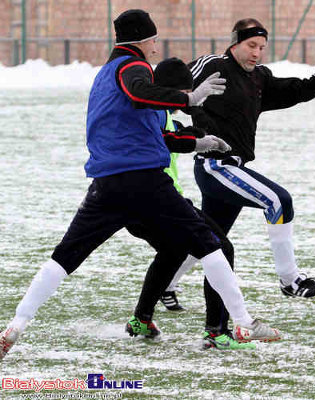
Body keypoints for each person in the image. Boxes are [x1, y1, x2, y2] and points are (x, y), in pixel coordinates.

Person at [0, 10, 281, 361]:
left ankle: (16, 325)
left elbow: (155, 131)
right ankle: (240, 323)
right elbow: (140, 91)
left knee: (65, 257)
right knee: (212, 245)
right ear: (144, 40)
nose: (154, 46)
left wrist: (199, 142)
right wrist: (189, 100)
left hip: (106, 185)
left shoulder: (104, 75)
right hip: (145, 182)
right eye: (153, 39)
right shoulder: (131, 68)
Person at [167, 18, 315, 301]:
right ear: (235, 42)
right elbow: (173, 87)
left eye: (262, 47)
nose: (256, 52)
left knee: (209, 238)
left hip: (235, 167)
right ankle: (291, 280)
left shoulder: (259, 77)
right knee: (278, 201)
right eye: (251, 45)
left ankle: (165, 285)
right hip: (215, 165)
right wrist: (181, 118)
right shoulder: (213, 65)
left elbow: (295, 91)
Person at [127, 57, 254, 350]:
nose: (183, 100)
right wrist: (199, 139)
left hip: (141, 202)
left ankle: (141, 319)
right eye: (182, 93)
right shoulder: (152, 112)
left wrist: (196, 133)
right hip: (156, 199)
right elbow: (168, 140)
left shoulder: (158, 111)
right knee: (220, 247)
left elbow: (173, 133)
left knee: (173, 251)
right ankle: (217, 332)